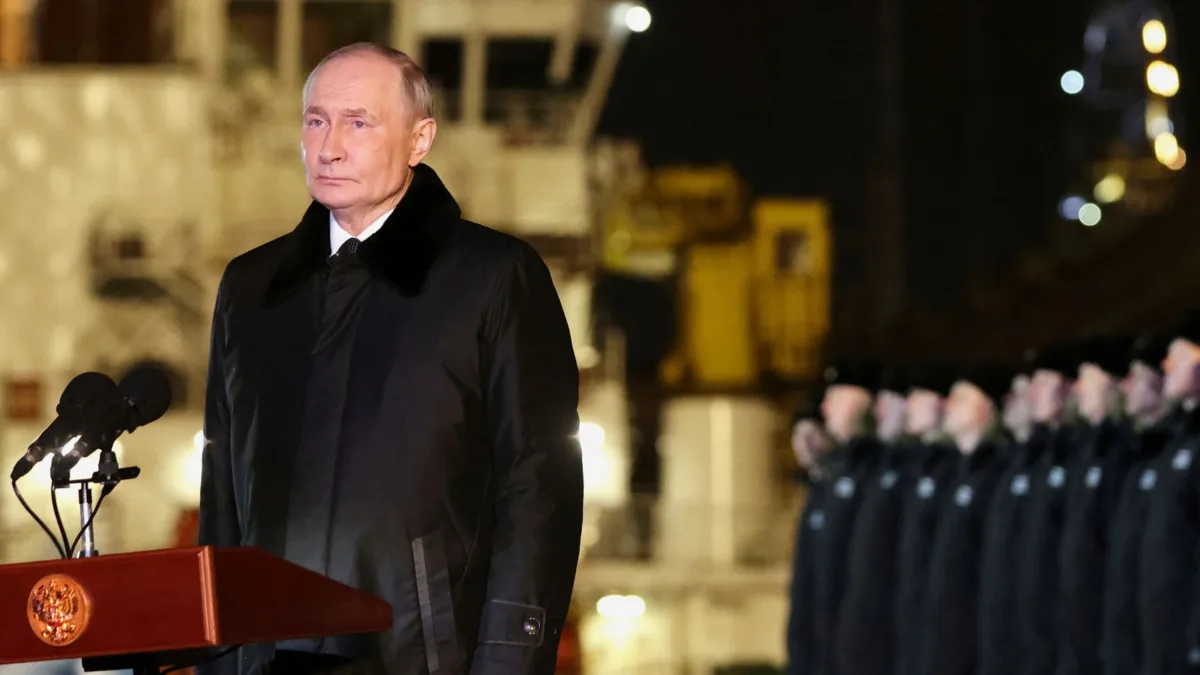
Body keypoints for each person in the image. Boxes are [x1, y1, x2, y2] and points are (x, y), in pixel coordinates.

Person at [198, 42, 584, 675]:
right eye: (316, 121)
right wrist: (218, 661)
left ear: (419, 139)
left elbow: (539, 485)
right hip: (265, 659)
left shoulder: (493, 279)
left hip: (421, 659)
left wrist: (509, 661)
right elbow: (222, 496)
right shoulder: (251, 289)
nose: (329, 148)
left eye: (358, 123)